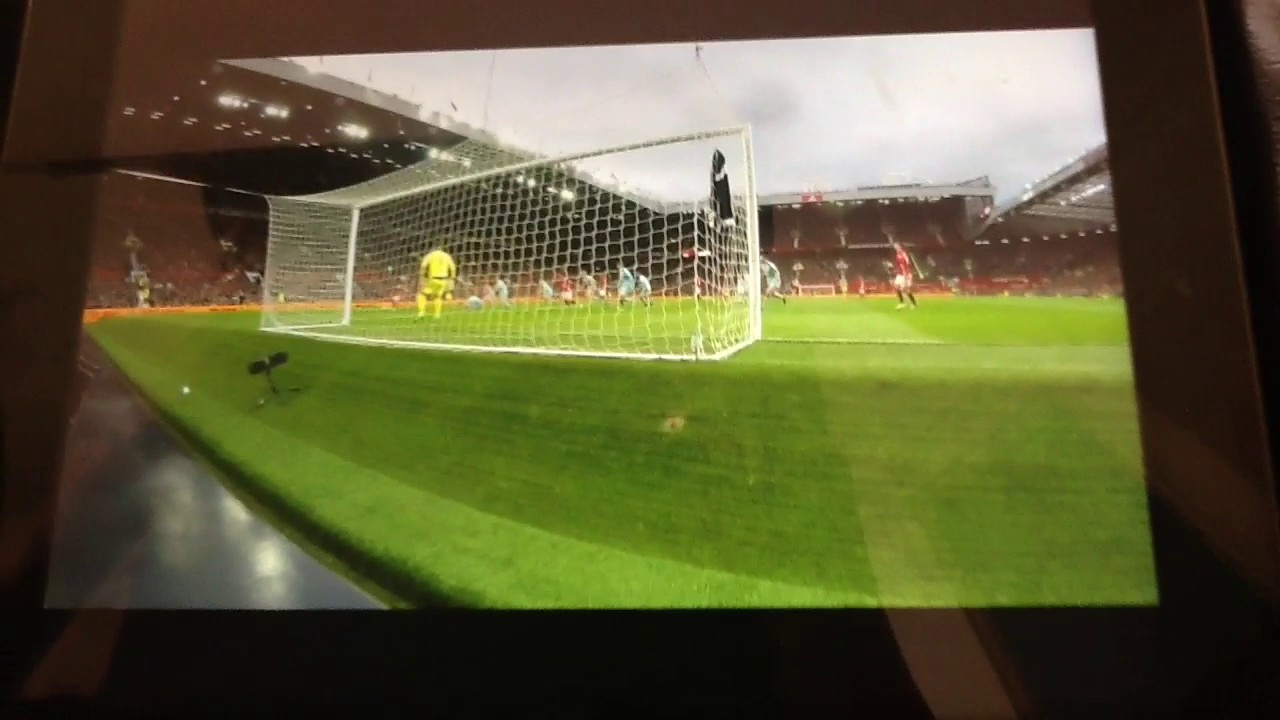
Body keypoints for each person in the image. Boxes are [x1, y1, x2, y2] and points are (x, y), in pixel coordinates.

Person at [418, 246, 456, 320]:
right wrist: (452, 278)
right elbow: (453, 267)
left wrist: (422, 275)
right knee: (438, 296)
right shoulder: (446, 255)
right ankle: (437, 315)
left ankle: (421, 312)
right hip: (444, 280)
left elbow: (423, 265)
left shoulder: (430, 255)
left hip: (433, 279)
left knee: (422, 294)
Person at [892, 241, 918, 310]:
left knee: (906, 290)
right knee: (897, 286)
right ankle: (902, 303)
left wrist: (906, 275)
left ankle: (914, 303)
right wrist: (896, 270)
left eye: (897, 246)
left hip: (905, 273)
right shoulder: (897, 254)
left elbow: (907, 264)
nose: (896, 247)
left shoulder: (904, 254)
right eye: (895, 246)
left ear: (900, 246)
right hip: (900, 273)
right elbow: (899, 264)